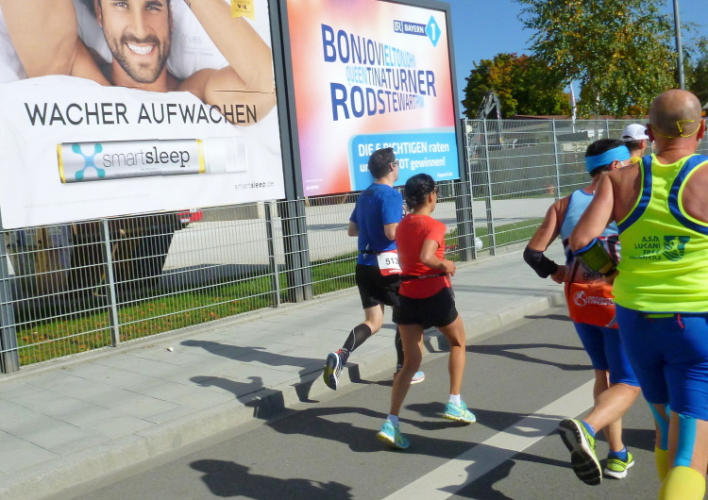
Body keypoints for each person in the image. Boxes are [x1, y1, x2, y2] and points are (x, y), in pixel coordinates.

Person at [570, 89, 708, 499]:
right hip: (694, 321)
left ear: (650, 133)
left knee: (665, 426)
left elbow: (581, 240)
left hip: (635, 319)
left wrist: (612, 270)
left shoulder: (619, 178)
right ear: (701, 129)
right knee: (693, 455)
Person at [524, 139, 640, 485]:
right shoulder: (628, 197)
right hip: (618, 298)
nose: (633, 168)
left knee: (603, 375)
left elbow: (533, 254)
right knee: (628, 381)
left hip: (579, 301)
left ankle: (618, 452)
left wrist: (557, 271)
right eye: (629, 163)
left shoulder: (563, 204)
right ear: (616, 166)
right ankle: (592, 433)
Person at [0, 0, 276, 123]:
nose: (141, 29)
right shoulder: (76, 73)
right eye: (121, 4)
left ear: (170, 17)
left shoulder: (196, 93)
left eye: (152, 6)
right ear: (99, 14)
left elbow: (268, 84)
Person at [377, 173, 474, 450]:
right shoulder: (434, 225)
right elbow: (426, 257)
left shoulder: (402, 226)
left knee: (410, 363)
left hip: (407, 296)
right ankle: (454, 401)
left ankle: (392, 422)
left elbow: (411, 255)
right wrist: (446, 265)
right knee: (458, 342)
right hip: (434, 293)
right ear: (432, 195)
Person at [323, 148, 424, 391]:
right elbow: (391, 232)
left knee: (373, 321)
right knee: (404, 317)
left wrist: (375, 229)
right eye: (397, 163)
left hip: (364, 265)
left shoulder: (365, 194)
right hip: (387, 266)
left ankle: (341, 355)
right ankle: (403, 370)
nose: (399, 166)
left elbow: (352, 230)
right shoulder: (391, 195)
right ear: (391, 167)